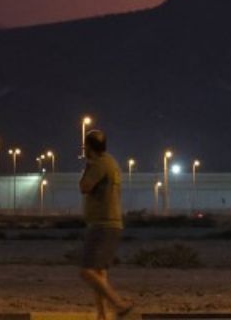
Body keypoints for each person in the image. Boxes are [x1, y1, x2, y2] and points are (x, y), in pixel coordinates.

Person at [77, 129, 132, 320]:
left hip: (102, 224)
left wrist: (87, 166)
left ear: (89, 147)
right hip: (111, 223)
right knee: (99, 272)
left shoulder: (98, 164)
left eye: (85, 146)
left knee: (86, 271)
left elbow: (84, 187)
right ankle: (101, 315)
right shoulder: (111, 162)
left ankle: (118, 304)